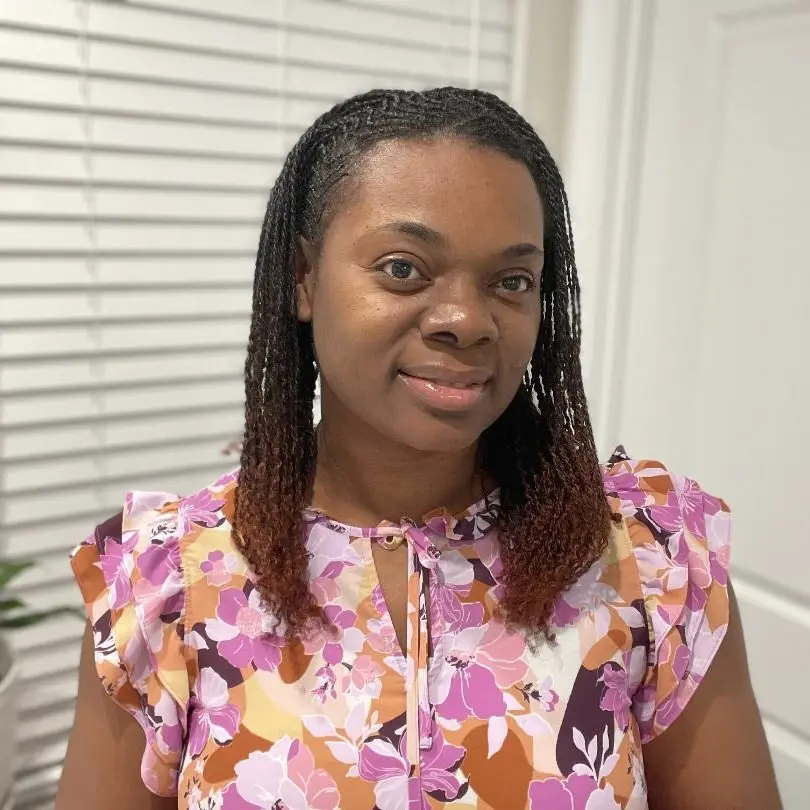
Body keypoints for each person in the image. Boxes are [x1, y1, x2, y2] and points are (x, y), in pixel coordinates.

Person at [56, 87, 781, 810]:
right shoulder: (167, 585)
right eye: (402, 268)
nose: (466, 320)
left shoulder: (647, 559)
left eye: (512, 281)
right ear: (303, 278)